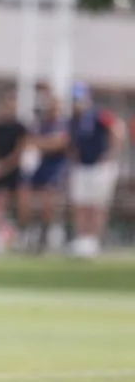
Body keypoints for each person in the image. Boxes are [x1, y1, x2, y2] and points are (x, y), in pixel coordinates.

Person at [68, 83, 125, 257]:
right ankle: (82, 239)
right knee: (81, 204)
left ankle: (94, 240)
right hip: (81, 166)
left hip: (99, 166)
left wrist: (112, 153)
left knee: (97, 205)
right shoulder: (73, 120)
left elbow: (118, 128)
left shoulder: (99, 114)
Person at [19, 93, 69, 253]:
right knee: (25, 199)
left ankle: (44, 238)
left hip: (55, 168)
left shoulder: (63, 125)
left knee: (49, 201)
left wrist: (42, 144)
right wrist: (45, 143)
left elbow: (58, 144)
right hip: (39, 167)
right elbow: (28, 142)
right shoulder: (40, 124)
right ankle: (25, 235)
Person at [0, 88, 28, 246]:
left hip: (13, 169)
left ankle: (20, 235)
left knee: (20, 201)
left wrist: (5, 166)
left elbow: (20, 151)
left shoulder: (20, 128)